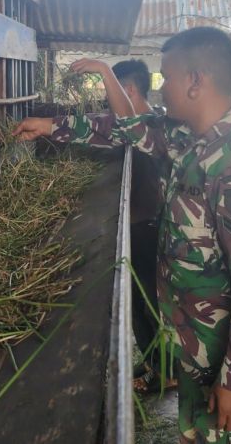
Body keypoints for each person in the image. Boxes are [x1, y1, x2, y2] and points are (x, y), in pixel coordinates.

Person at [14, 27, 231, 444]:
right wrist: (51, 125)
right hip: (195, 345)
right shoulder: (187, 140)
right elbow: (127, 128)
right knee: (194, 434)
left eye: (167, 77)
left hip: (229, 358)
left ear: (196, 81)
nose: (161, 89)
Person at [69, 58, 173, 392]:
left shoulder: (153, 126)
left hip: (148, 227)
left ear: (126, 90)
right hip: (138, 223)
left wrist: (101, 68)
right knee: (137, 303)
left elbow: (127, 125)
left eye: (110, 89)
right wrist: (45, 125)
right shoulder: (135, 125)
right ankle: (155, 361)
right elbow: (99, 128)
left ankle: (164, 372)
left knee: (148, 303)